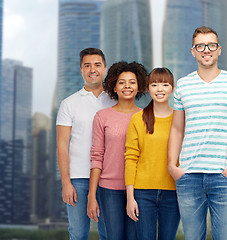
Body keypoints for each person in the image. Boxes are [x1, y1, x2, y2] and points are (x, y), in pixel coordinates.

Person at [167, 26, 227, 240]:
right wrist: (172, 165)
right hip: (189, 176)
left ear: (219, 50)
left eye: (211, 45)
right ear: (193, 51)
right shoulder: (183, 85)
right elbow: (177, 129)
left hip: (224, 176)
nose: (206, 50)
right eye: (200, 46)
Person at [56, 48, 114, 240]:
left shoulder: (116, 100)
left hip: (109, 178)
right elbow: (62, 145)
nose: (92, 69)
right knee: (78, 233)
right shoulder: (68, 103)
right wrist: (66, 182)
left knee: (110, 233)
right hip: (78, 178)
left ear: (105, 69)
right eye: (87, 65)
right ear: (81, 70)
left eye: (97, 65)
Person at [87, 61, 147, 240]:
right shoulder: (102, 117)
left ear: (139, 87)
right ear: (114, 86)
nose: (127, 86)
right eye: (121, 82)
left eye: (132, 82)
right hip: (109, 189)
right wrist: (92, 194)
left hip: (139, 189)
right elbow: (97, 156)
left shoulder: (146, 117)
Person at [125, 67, 180, 239]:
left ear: (172, 88)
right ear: (148, 88)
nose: (160, 89)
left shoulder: (180, 119)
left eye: (165, 84)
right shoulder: (137, 118)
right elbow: (130, 158)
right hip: (143, 193)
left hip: (173, 192)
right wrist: (130, 197)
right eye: (154, 85)